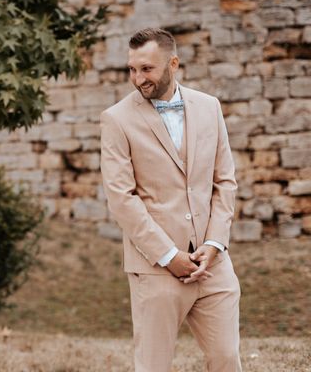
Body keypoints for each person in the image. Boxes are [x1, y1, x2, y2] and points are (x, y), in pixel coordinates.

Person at [100, 28, 242, 372]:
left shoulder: (210, 107)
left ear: (173, 63)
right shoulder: (116, 119)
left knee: (227, 359)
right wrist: (168, 256)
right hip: (155, 268)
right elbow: (121, 198)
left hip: (213, 266)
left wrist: (214, 244)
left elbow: (224, 181)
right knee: (154, 366)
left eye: (147, 69)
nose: (138, 78)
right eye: (132, 69)